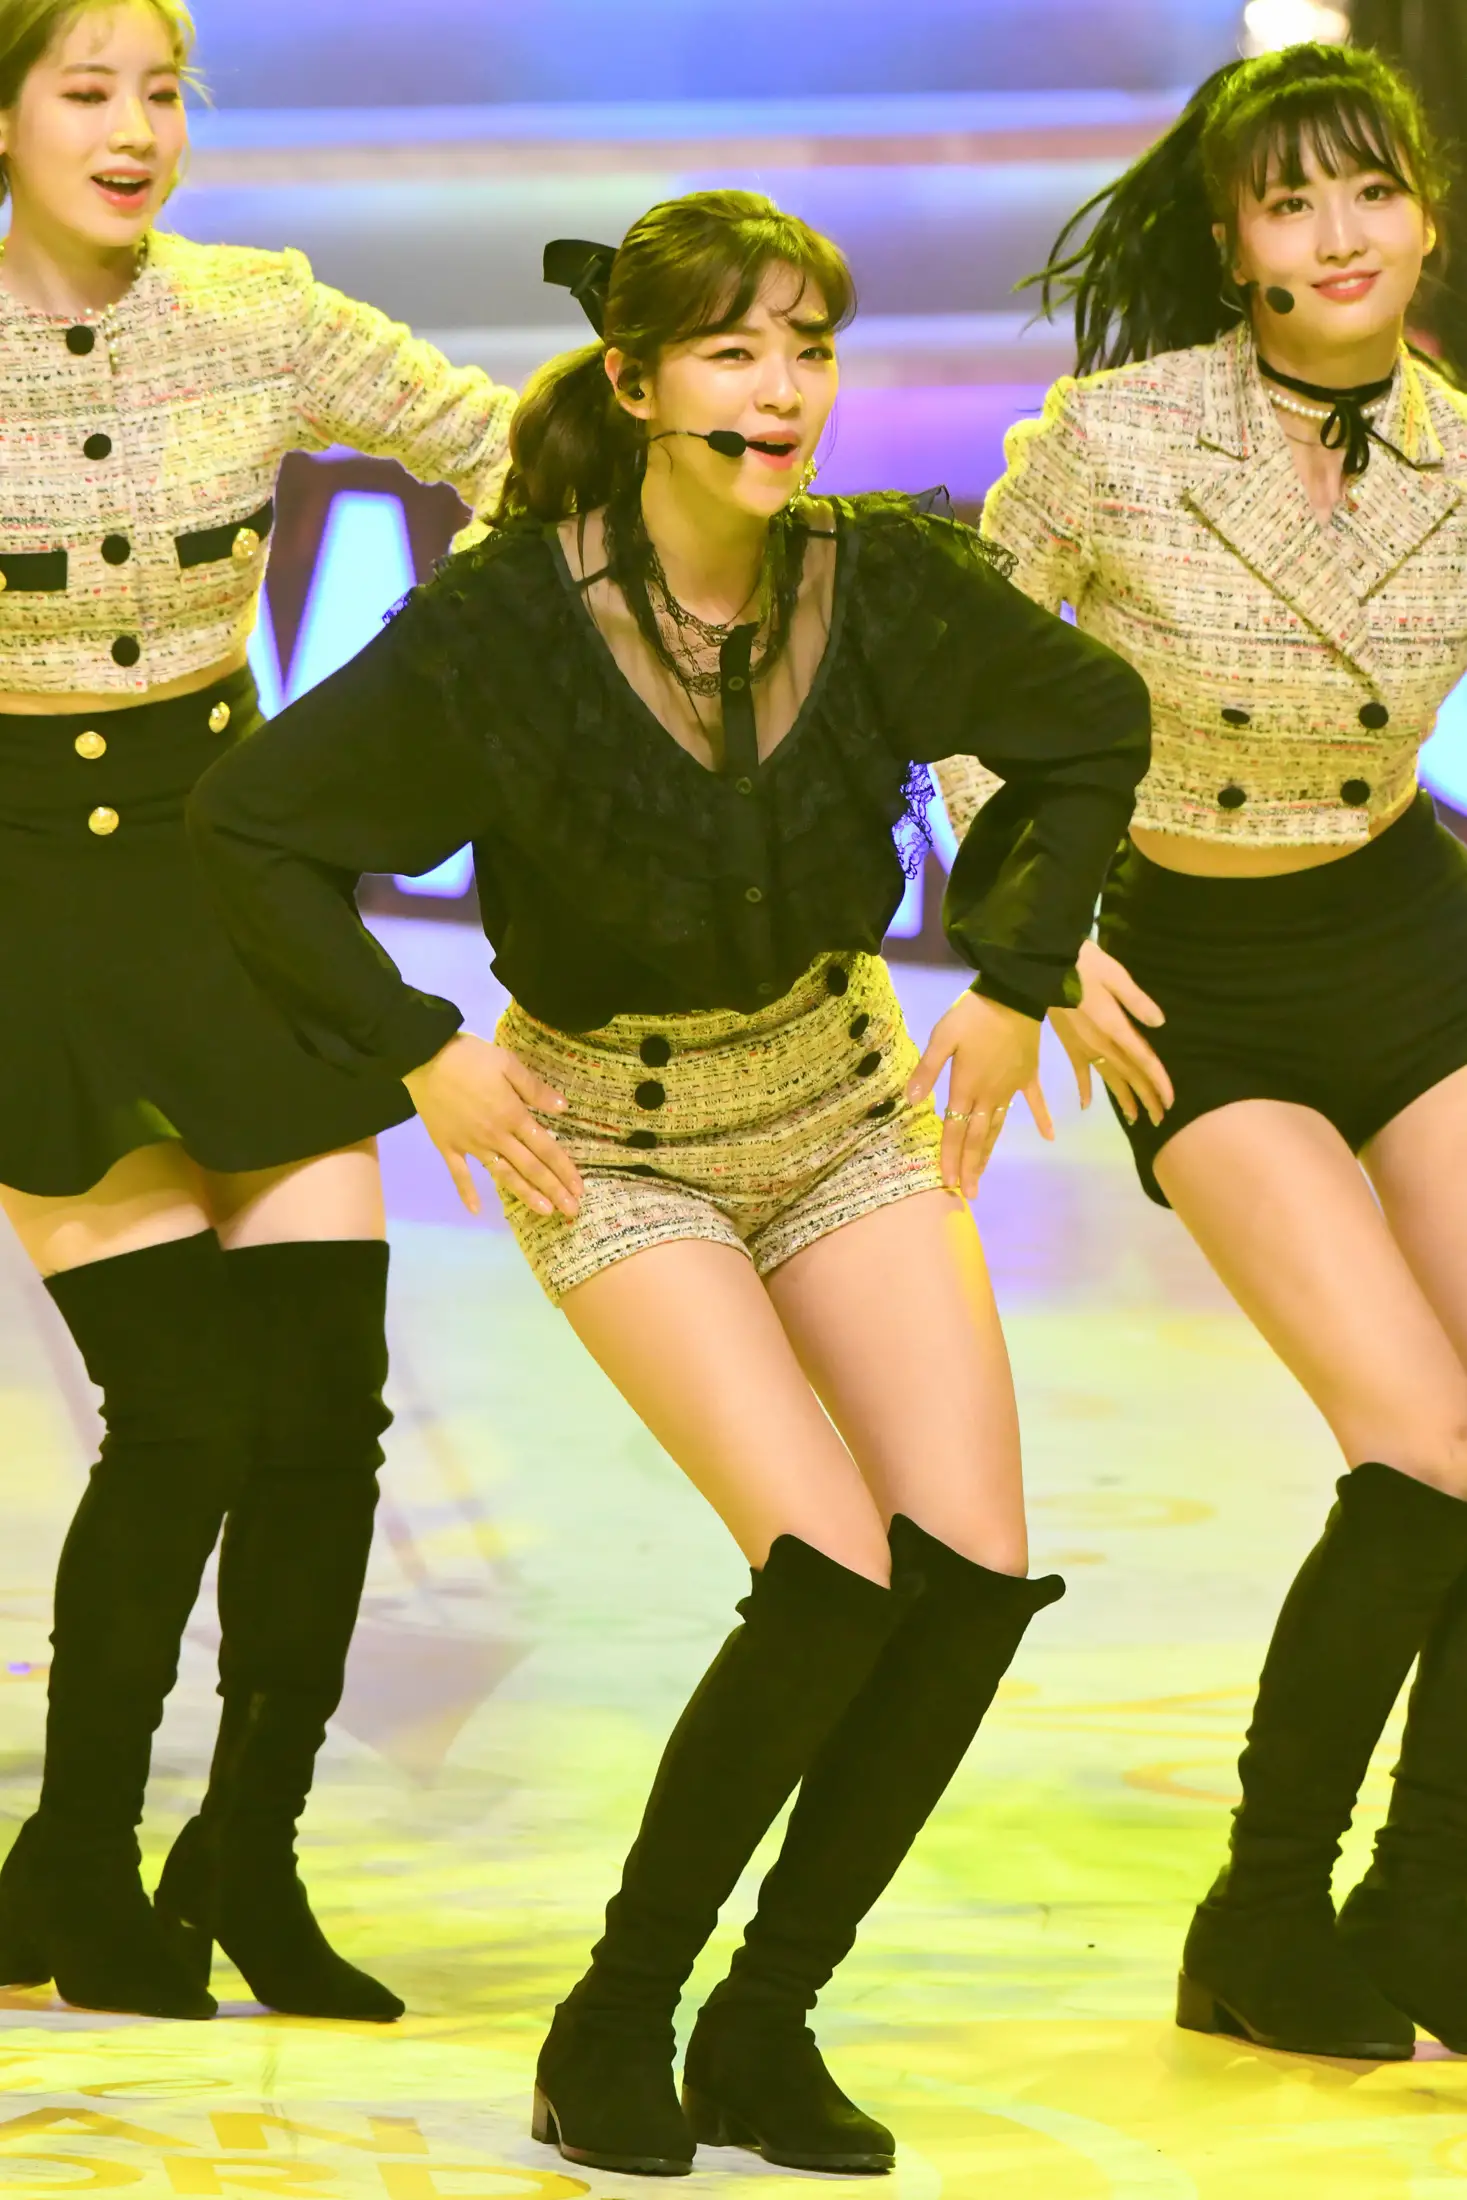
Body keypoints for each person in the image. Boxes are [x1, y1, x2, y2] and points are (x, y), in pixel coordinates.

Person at [188, 185, 1147, 2171]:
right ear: (632, 383)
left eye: (809, 346)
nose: (781, 389)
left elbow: (1091, 723)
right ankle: (613, 2019)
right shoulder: (506, 630)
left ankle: (763, 2027)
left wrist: (1015, 973)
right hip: (606, 1136)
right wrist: (421, 1048)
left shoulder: (878, 578)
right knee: (828, 1576)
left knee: (965, 1577)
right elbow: (253, 826)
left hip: (840, 1097)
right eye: (732, 350)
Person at [939, 40, 1467, 2063]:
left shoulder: (1458, 447)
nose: (1335, 235)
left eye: (1367, 191)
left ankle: (1424, 1908)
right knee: (1420, 1442)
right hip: (1198, 982)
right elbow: (954, 682)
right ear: (1234, 243)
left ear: (1423, 212)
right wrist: (1037, 932)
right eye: (1287, 201)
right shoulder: (1117, 433)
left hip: (1409, 938)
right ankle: (1257, 1912)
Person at [0, 0, 516, 2023]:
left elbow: (508, 446)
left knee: (323, 1416)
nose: (136, 129)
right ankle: (78, 1855)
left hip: (238, 876)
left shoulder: (261, 308)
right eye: (87, 90)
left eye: (164, 92)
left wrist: (415, 699)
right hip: (30, 900)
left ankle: (248, 1857)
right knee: (182, 1414)